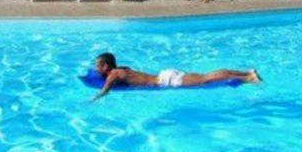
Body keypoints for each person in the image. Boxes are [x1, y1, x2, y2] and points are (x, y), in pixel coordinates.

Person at [91, 52, 261, 99]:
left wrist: (91, 101)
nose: (95, 69)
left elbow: (104, 91)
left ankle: (247, 77)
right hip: (165, 75)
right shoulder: (122, 69)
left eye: (97, 66)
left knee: (206, 78)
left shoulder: (113, 74)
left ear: (105, 66)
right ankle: (247, 73)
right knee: (205, 77)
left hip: (167, 81)